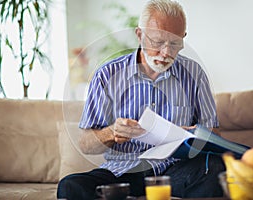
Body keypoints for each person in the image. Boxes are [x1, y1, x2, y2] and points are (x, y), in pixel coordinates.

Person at [57, 0, 225, 199]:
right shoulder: (107, 74)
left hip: (176, 170)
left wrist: (192, 133)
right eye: (157, 42)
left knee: (214, 167)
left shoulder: (194, 74)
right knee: (71, 186)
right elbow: (86, 143)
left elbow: (214, 135)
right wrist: (111, 133)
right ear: (140, 35)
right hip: (122, 171)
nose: (165, 53)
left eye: (174, 43)